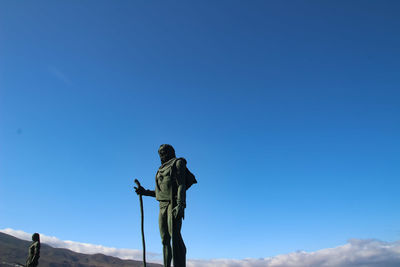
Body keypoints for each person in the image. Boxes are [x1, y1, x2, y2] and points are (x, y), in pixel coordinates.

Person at [134, 144, 196, 267]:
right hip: (162, 206)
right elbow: (160, 193)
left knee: (175, 236)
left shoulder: (177, 163)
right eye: (160, 153)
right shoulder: (160, 169)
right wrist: (144, 192)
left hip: (173, 204)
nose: (162, 155)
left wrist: (180, 204)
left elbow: (181, 185)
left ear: (170, 152)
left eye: (164, 152)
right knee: (164, 239)